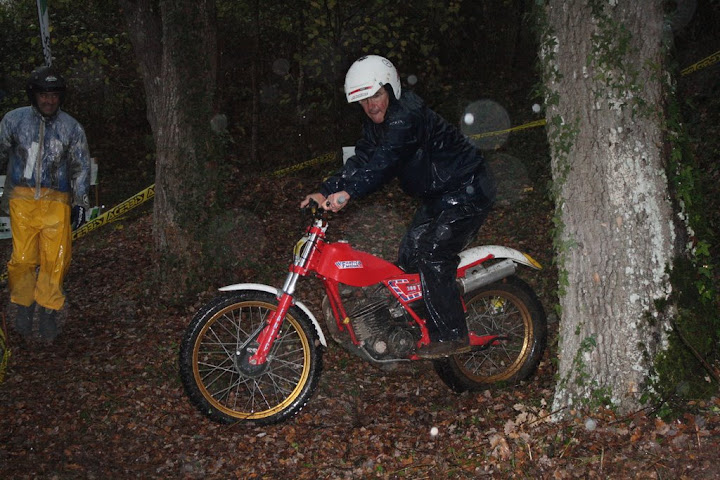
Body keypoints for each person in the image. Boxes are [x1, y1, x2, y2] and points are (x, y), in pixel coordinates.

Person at [301, 55, 496, 358]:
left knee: (433, 253)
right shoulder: (376, 124)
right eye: (363, 100)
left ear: (391, 90)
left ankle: (451, 333)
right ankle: (418, 326)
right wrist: (325, 190)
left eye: (376, 95)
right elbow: (364, 158)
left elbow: (384, 161)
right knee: (409, 256)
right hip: (440, 196)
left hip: (467, 190)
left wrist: (348, 192)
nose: (370, 106)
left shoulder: (406, 117)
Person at [0, 65, 90, 342]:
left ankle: (49, 310)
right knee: (22, 259)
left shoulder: (71, 128)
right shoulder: (13, 121)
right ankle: (23, 306)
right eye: (43, 94)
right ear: (34, 95)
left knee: (56, 258)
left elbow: (80, 166)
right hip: (22, 200)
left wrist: (80, 202)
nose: (49, 100)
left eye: (54, 95)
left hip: (57, 201)